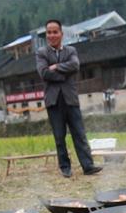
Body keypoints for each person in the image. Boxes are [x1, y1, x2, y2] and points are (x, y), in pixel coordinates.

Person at [36, 19, 101, 178]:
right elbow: (44, 73)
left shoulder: (71, 50)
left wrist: (57, 67)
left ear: (61, 34)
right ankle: (65, 167)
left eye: (55, 32)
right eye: (49, 32)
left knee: (79, 133)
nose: (52, 35)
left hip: (70, 98)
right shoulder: (41, 52)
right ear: (46, 35)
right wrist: (65, 75)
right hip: (53, 101)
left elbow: (75, 66)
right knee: (59, 136)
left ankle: (88, 165)